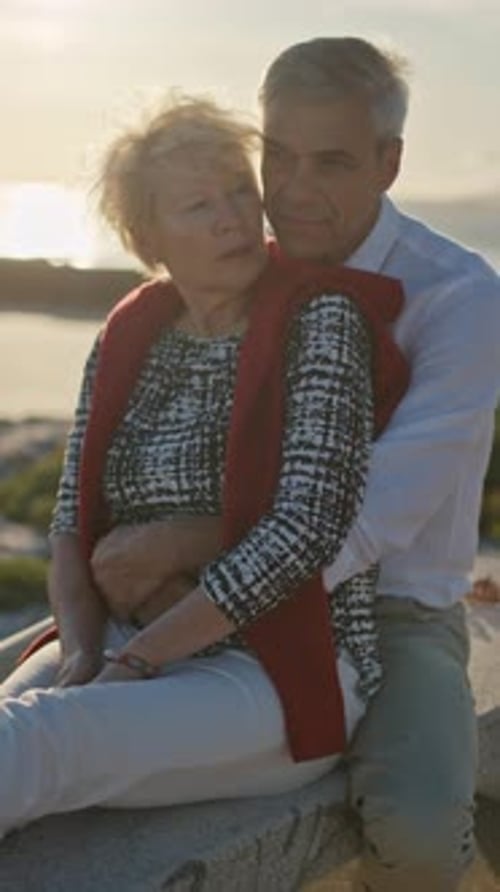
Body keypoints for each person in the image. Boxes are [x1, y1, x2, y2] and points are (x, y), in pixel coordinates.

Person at [0, 94, 408, 841]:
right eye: (198, 205)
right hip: (123, 634)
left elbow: (305, 529)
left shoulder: (321, 320)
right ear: (146, 237)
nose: (233, 218)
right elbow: (69, 523)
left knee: (32, 744)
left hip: (275, 666)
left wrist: (136, 662)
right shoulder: (129, 333)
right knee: (15, 728)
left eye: (239, 193)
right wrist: (87, 650)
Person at [258, 36, 500, 892]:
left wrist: (208, 586)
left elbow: (381, 513)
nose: (291, 190)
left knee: (425, 843)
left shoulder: (461, 296)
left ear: (389, 163)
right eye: (276, 155)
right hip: (232, 577)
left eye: (330, 163)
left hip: (396, 609)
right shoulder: (242, 261)